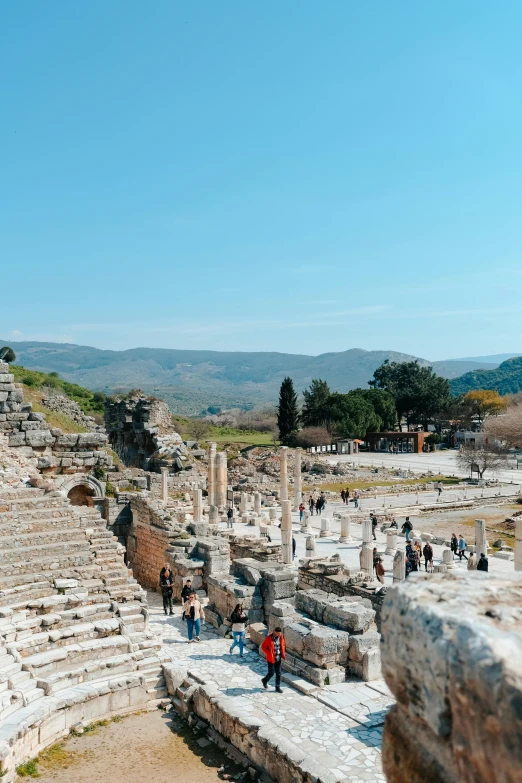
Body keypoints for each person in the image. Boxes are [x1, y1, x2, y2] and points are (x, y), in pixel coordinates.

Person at [261, 627, 285, 693]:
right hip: (271, 659)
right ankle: (264, 680)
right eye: (278, 633)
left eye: (280, 633)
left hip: (278, 658)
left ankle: (277, 687)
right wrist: (269, 653)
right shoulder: (269, 638)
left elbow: (282, 645)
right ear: (274, 632)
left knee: (279, 673)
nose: (279, 635)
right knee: (271, 673)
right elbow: (263, 647)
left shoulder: (281, 637)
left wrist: (283, 653)